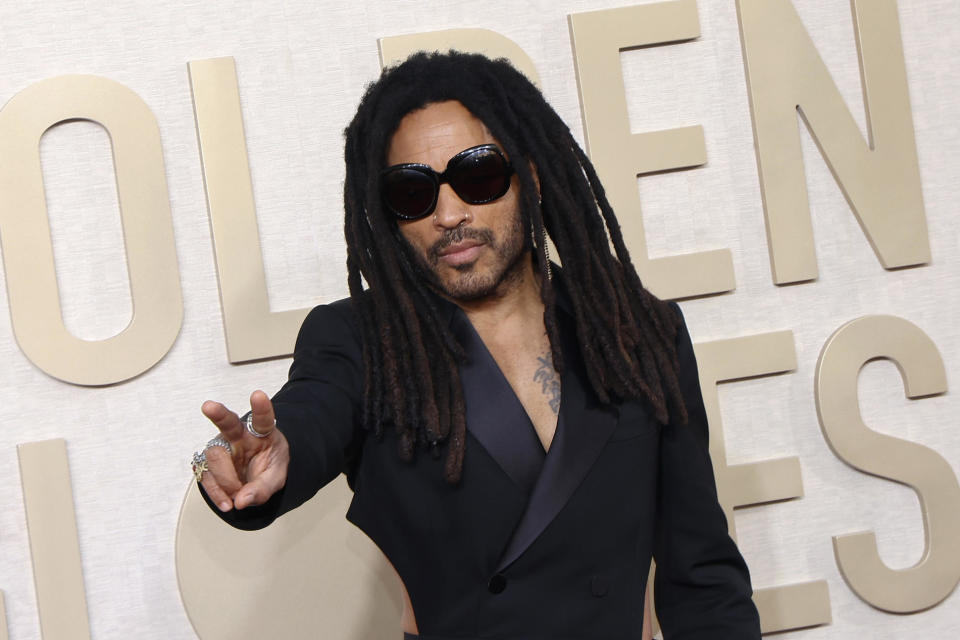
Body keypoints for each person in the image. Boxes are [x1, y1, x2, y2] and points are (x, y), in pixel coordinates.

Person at [192, 51, 762, 639]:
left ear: (531, 175)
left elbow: (703, 580)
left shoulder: (638, 334)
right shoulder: (364, 343)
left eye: (478, 176)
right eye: (412, 193)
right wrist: (274, 456)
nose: (449, 213)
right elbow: (312, 413)